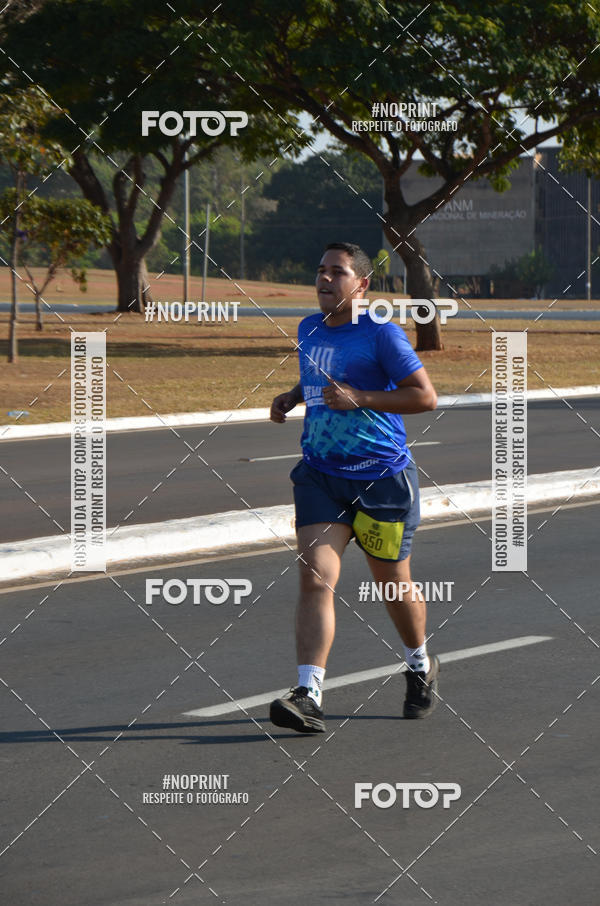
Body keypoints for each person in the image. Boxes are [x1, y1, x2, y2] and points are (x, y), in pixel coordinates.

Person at [269, 242, 439, 733]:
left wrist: (361, 398)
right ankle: (309, 693)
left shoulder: (381, 335)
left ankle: (420, 664)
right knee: (315, 577)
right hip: (321, 474)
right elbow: (319, 376)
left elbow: (424, 397)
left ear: (361, 285)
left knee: (391, 583)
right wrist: (294, 394)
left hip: (381, 478)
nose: (325, 279)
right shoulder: (307, 328)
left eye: (338, 273)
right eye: (320, 270)